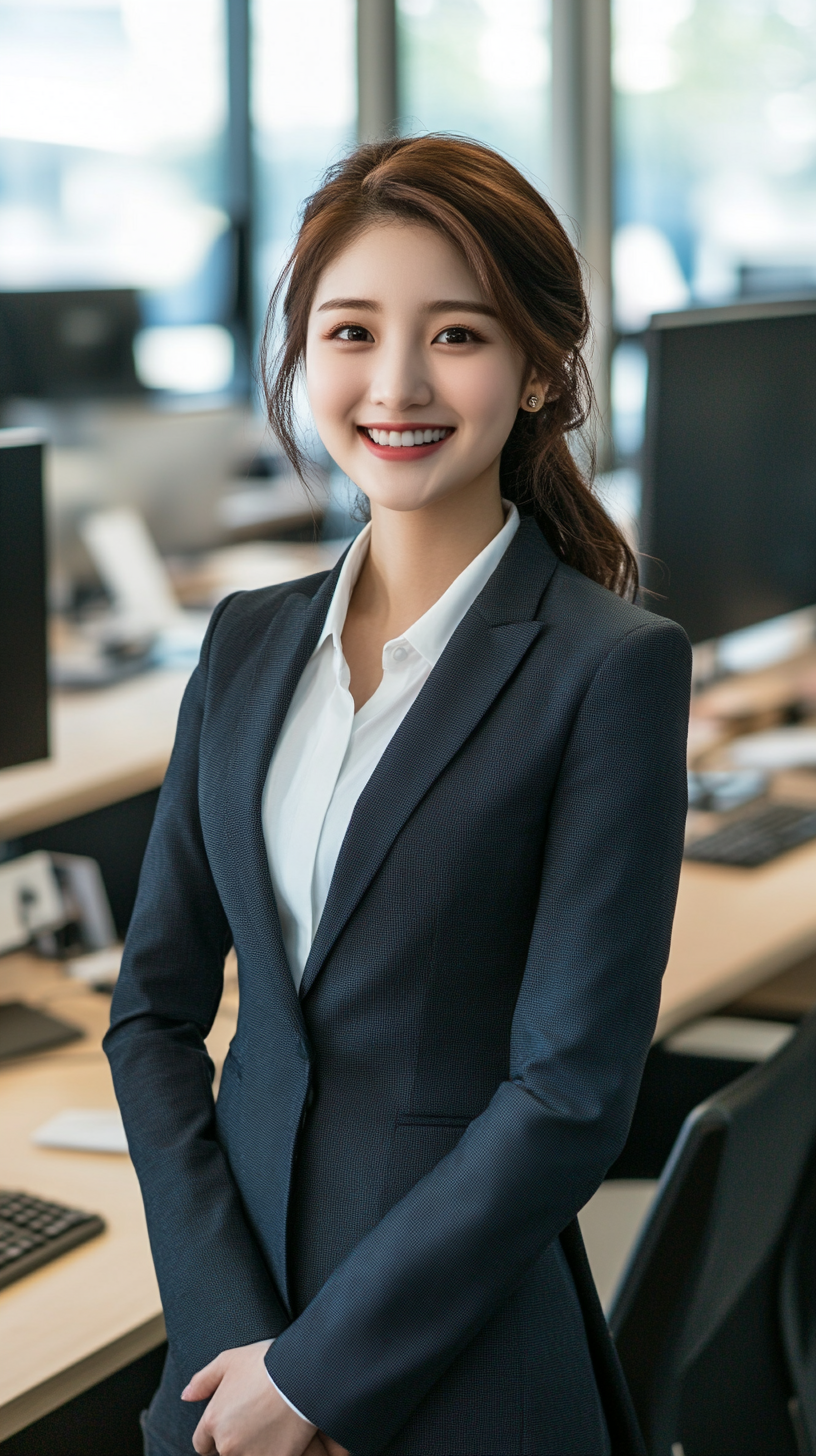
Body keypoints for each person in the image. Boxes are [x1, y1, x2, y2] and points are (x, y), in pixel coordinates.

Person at [105, 134, 691, 1456]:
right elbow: (152, 1015)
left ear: (542, 368)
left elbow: (570, 1093)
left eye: (460, 335)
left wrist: (316, 1377)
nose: (397, 383)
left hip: (462, 1369)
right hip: (221, 1369)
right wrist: (226, 1341)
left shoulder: (612, 669)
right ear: (304, 355)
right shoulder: (246, 641)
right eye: (351, 330)